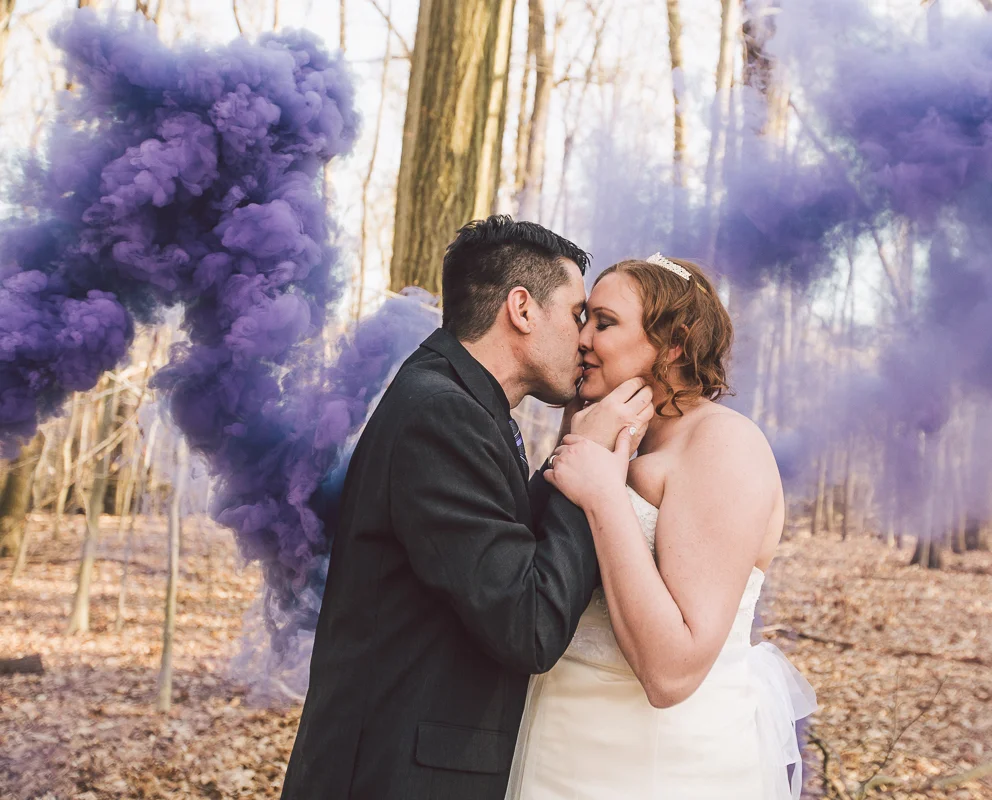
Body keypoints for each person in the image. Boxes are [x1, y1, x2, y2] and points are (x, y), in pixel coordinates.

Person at [280, 216, 655, 800]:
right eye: (577, 313)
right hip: (397, 778)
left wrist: (572, 457)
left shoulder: (456, 400)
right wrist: (591, 472)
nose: (584, 339)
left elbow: (499, 545)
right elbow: (529, 626)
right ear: (522, 309)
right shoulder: (441, 413)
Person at [505, 254, 817, 800]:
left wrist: (604, 496)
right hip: (553, 747)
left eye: (604, 323)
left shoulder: (724, 445)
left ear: (675, 343)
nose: (582, 338)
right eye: (585, 319)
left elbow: (673, 672)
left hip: (657, 767)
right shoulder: (606, 429)